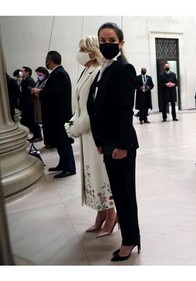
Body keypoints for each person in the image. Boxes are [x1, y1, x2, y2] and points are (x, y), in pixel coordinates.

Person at [87, 22, 140, 262]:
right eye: (102, 40)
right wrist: (100, 141)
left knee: (125, 194)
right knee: (118, 193)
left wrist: (120, 145)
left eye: (111, 40)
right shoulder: (104, 68)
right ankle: (129, 236)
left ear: (121, 43)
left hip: (121, 144)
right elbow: (97, 107)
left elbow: (124, 111)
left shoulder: (124, 68)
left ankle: (129, 240)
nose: (106, 44)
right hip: (107, 142)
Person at [67, 35, 117, 238]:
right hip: (85, 134)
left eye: (82, 49)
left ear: (91, 50)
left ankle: (111, 215)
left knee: (102, 174)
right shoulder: (86, 71)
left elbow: (95, 107)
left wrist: (76, 127)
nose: (79, 53)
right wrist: (71, 124)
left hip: (95, 133)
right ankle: (101, 214)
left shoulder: (98, 71)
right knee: (92, 175)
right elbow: (79, 105)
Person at [32, 51, 76, 178]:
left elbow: (56, 92)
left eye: (46, 59)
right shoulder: (56, 73)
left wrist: (40, 92)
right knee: (59, 141)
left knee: (64, 142)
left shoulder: (60, 74)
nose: (45, 61)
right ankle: (63, 164)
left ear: (50, 59)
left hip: (61, 115)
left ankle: (70, 167)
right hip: (57, 115)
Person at [20, 66, 42, 142]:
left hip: (30, 104)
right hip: (26, 104)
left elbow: (31, 92)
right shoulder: (24, 80)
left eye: (22, 71)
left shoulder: (29, 80)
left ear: (27, 72)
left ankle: (38, 135)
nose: (21, 72)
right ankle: (35, 135)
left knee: (33, 120)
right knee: (30, 120)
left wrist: (22, 93)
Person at [33, 66, 49, 145]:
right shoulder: (38, 81)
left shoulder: (47, 81)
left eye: (40, 75)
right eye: (38, 75)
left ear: (45, 74)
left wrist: (39, 91)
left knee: (46, 123)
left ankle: (48, 141)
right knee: (41, 122)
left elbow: (46, 92)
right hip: (37, 102)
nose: (39, 77)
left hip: (43, 103)